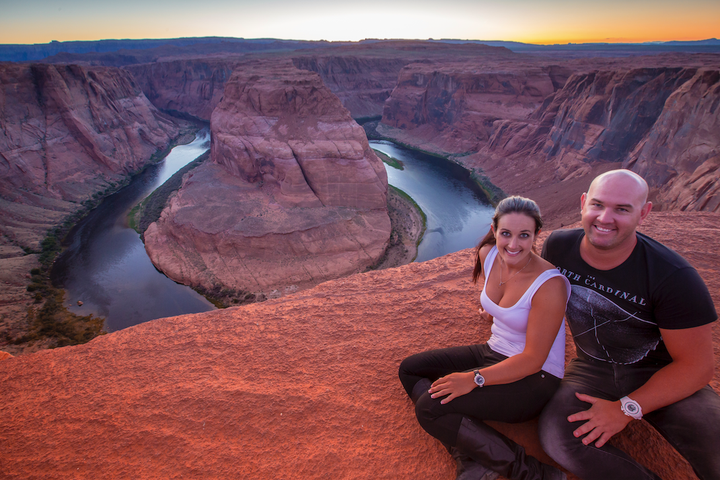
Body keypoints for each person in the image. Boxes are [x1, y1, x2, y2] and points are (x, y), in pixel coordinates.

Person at [538, 169, 720, 480]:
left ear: (644, 213)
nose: (605, 218)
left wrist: (626, 409)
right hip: (592, 368)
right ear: (583, 203)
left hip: (662, 374)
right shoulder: (558, 247)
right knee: (559, 439)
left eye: (622, 209)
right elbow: (540, 293)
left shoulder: (673, 276)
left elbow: (697, 367)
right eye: (597, 205)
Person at [399, 196, 571, 480]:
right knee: (410, 369)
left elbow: (533, 359)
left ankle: (532, 473)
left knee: (429, 407)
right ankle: (471, 457)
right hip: (493, 351)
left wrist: (472, 378)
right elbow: (506, 306)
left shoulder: (549, 284)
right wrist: (494, 315)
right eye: (506, 233)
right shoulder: (488, 255)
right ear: (494, 228)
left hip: (534, 379)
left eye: (524, 236)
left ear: (536, 235)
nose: (513, 245)